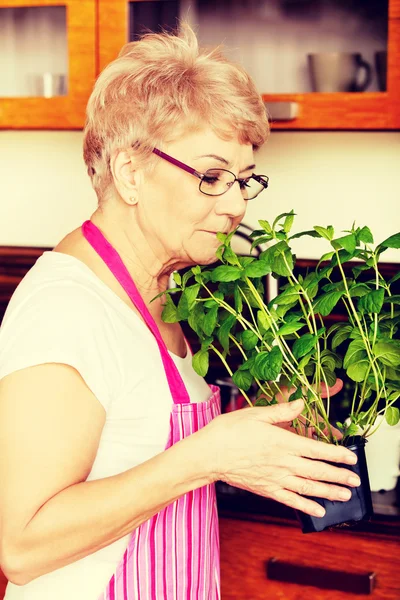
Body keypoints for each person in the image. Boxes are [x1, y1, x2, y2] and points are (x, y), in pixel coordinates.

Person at [0, 23, 360, 600]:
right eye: (212, 176)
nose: (238, 203)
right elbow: (22, 545)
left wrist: (265, 426)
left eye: (245, 180)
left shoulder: (172, 292)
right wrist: (206, 456)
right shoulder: (64, 311)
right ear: (129, 172)